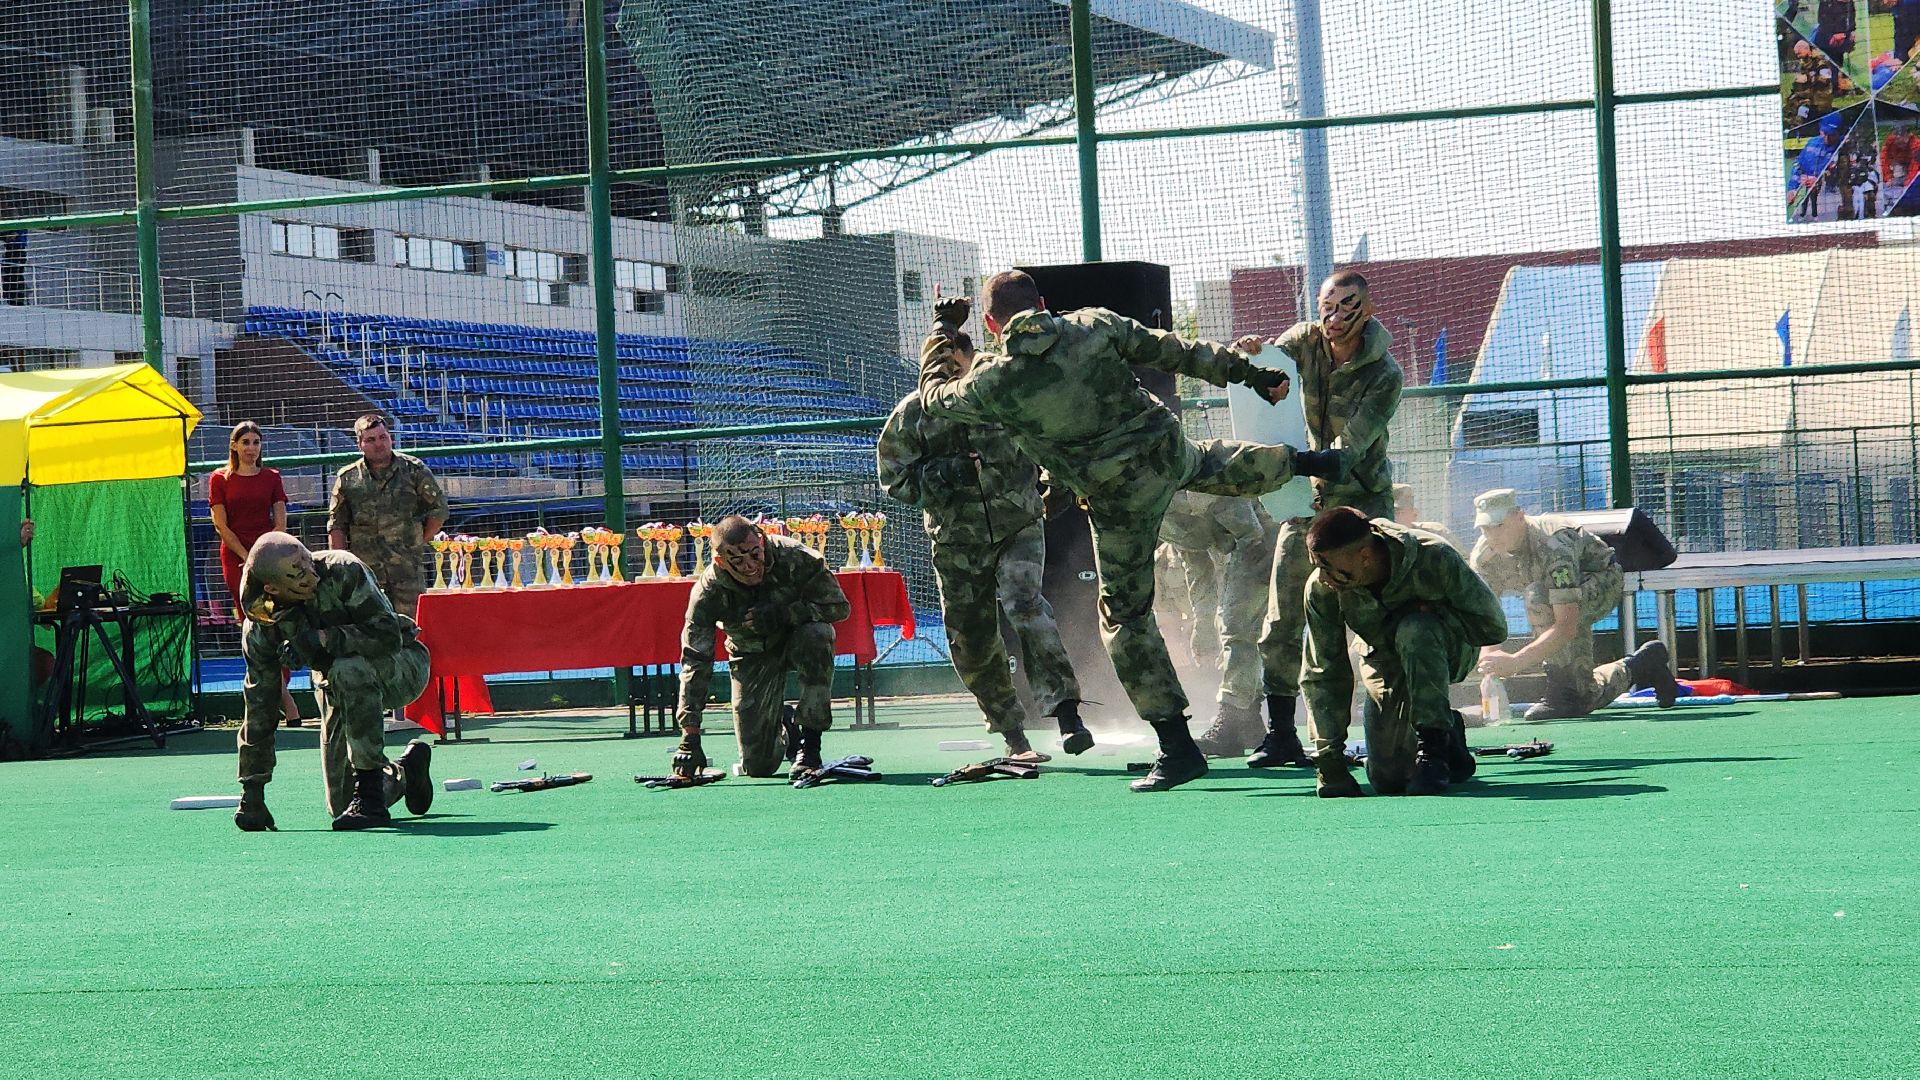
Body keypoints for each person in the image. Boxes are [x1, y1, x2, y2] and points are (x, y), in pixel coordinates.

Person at [918, 273, 1345, 793]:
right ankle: (1302, 462)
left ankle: (1176, 747)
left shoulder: (995, 381)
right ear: (1044, 304)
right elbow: (1176, 350)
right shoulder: (1095, 323)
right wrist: (1249, 375)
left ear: (990, 324)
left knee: (1124, 617)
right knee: (1210, 462)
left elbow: (935, 396)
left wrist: (942, 330)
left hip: (1117, 493)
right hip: (1163, 449)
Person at [877, 339, 1089, 759]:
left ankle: (1067, 714)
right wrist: (947, 473)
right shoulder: (913, 413)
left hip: (1017, 525)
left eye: (958, 362)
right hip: (957, 538)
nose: (953, 372)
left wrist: (1054, 487)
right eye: (942, 365)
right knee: (971, 636)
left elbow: (1051, 439)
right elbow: (893, 477)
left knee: (1024, 604)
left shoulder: (1002, 396)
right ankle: (1014, 737)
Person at [1240, 269, 1405, 771]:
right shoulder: (1304, 341)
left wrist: (1288, 465)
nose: (1333, 320)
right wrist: (1252, 353)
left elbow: (1349, 450)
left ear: (1367, 311)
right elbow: (1264, 363)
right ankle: (1282, 734)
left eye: (1346, 309)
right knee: (1281, 617)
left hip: (1363, 510)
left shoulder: (1385, 373)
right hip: (1304, 504)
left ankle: (1402, 723)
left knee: (1380, 618)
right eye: (1326, 308)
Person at [1298, 507, 1508, 797]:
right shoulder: (1322, 589)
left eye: (1329, 566)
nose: (1322, 577)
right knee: (1389, 779)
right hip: (1383, 658)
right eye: (1316, 565)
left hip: (1443, 650)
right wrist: (1329, 761)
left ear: (1365, 557)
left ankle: (1434, 749)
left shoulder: (1434, 557)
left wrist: (1435, 614)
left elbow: (1492, 628)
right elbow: (1323, 671)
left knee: (1415, 629)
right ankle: (1451, 736)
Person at [232, 532, 433, 831]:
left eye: (305, 558)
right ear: (272, 588)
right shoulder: (262, 627)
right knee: (340, 803)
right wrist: (252, 793)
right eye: (296, 571)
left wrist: (322, 639)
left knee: (347, 667)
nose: (309, 572)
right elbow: (260, 704)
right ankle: (404, 773)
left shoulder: (343, 569)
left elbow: (388, 635)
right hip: (336, 685)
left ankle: (371, 801)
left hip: (401, 666)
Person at [1468, 489, 1679, 721]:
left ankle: (1560, 691)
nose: (1492, 535)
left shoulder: (1553, 544)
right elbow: (1486, 617)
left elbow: (1565, 624)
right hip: (1551, 596)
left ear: (1519, 516)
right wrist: (1490, 659)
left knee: (1538, 597)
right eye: (1485, 528)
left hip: (1599, 581)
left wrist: (1516, 662)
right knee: (1583, 696)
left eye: (1499, 526)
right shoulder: (1484, 557)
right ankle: (1642, 664)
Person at [672, 515, 854, 781]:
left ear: (762, 540)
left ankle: (810, 746)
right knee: (758, 766)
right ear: (720, 561)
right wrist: (690, 737)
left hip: (798, 640)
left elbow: (839, 608)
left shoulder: (795, 557)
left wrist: (787, 614)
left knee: (818, 635)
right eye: (737, 561)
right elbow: (695, 659)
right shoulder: (708, 591)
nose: (749, 566)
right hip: (750, 653)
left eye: (754, 555)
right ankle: (787, 727)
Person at [1158, 491, 1278, 756]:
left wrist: (1234, 604)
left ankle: (1232, 720)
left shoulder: (1194, 484)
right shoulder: (1152, 505)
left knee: (1238, 628)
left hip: (1257, 542)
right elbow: (1195, 561)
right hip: (1229, 549)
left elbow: (1251, 534)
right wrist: (1202, 625)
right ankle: (1249, 722)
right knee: (1236, 628)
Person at [208, 420, 301, 727]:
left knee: (276, 622)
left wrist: (264, 558)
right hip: (236, 559)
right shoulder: (219, 479)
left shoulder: (272, 477)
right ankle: (284, 701)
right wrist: (247, 558)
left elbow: (280, 523)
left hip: (269, 559)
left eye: (256, 442)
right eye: (245, 442)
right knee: (252, 623)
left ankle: (278, 693)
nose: (251, 448)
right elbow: (222, 526)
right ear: (234, 445)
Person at [327, 414, 447, 621]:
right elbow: (337, 524)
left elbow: (439, 509)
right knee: (370, 630)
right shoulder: (348, 478)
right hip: (366, 575)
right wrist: (341, 566)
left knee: (411, 629)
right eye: (371, 440)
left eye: (383, 437)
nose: (379, 444)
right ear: (360, 444)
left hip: (407, 572)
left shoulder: (413, 470)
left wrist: (418, 541)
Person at [1393, 482, 1459, 549]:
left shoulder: (1437, 532)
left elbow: (1462, 558)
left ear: (1414, 514)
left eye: (1398, 512)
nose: (1392, 517)